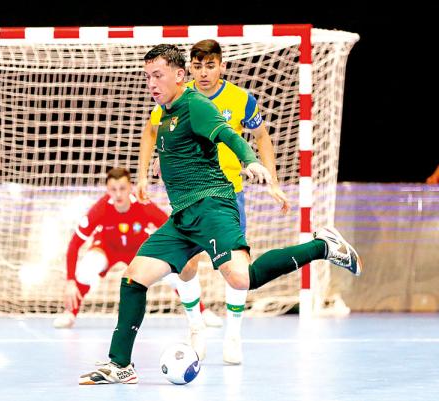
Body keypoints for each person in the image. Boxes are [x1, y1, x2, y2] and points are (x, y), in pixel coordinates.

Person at [79, 44, 362, 385]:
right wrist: (159, 163)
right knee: (135, 277)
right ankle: (120, 364)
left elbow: (228, 134)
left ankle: (323, 246)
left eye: (158, 76)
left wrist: (251, 161)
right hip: (183, 217)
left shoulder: (195, 104)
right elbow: (175, 146)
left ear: (180, 76)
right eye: (148, 76)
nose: (151, 83)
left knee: (243, 279)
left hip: (213, 205)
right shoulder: (166, 113)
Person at [147, 39, 290, 364]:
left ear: (221, 65)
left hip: (228, 194)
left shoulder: (240, 99)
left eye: (210, 65)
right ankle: (196, 326)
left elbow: (260, 137)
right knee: (185, 264)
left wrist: (273, 181)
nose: (204, 72)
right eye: (197, 66)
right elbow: (154, 132)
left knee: (235, 269)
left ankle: (234, 335)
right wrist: (151, 167)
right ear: (188, 71)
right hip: (188, 195)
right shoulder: (174, 98)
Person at [53, 166, 222, 329]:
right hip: (107, 249)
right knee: (86, 269)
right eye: (113, 189)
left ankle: (202, 311)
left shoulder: (143, 204)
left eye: (122, 188)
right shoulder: (100, 208)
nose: (118, 194)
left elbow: (171, 227)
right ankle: (70, 312)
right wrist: (70, 280)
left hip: (139, 251)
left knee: (174, 273)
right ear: (107, 190)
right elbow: (75, 244)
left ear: (130, 188)